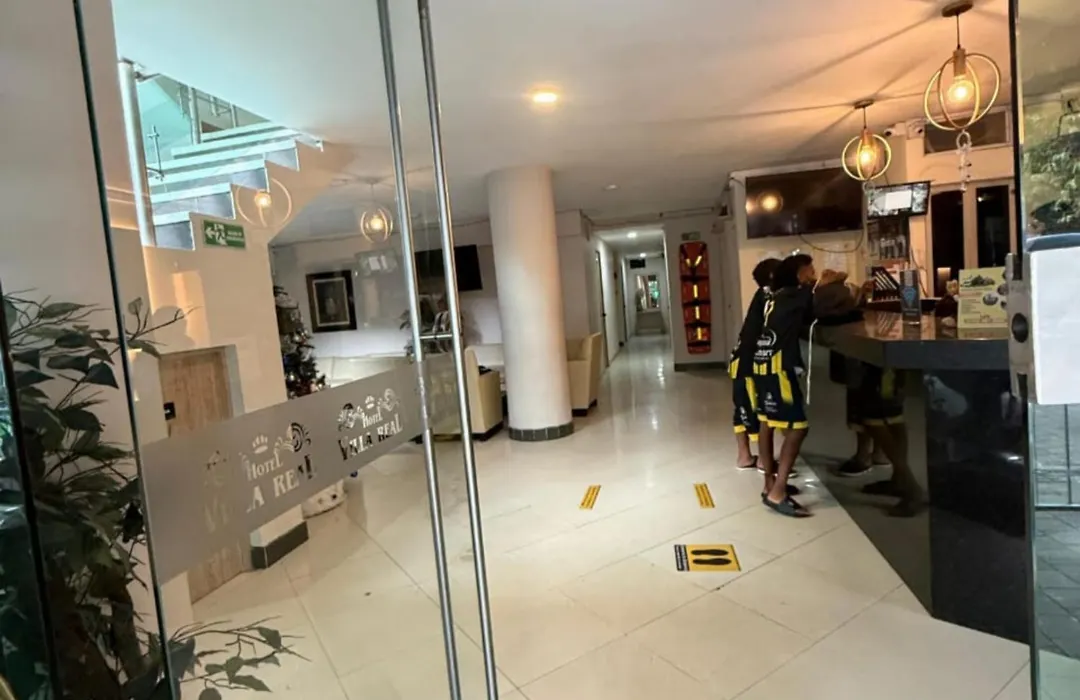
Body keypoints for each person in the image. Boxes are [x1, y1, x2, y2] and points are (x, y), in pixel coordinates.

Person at [754, 253, 816, 517]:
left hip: (762, 364)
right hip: (779, 369)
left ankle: (769, 483)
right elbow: (825, 307)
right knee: (798, 427)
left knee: (766, 422)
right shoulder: (796, 295)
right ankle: (778, 491)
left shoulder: (774, 297)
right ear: (800, 274)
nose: (813, 275)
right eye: (810, 270)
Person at [729, 257, 780, 471]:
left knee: (742, 407)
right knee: (757, 409)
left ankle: (744, 456)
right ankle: (763, 460)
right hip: (750, 362)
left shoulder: (762, 295)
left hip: (740, 359)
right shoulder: (770, 296)